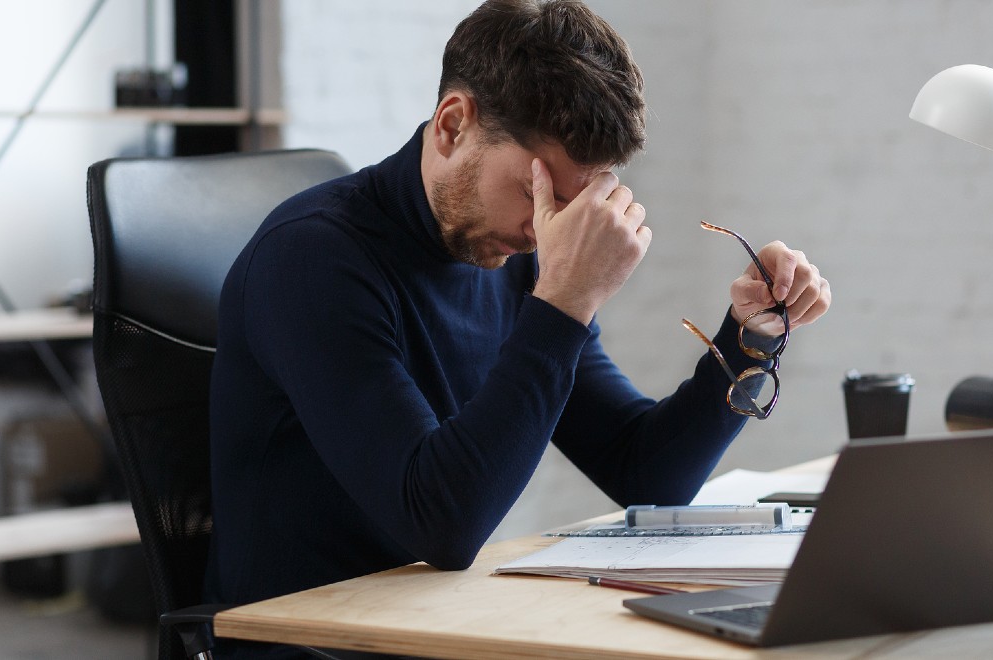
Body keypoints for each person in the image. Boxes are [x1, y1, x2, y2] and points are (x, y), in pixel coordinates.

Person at [204, 0, 830, 655]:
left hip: (430, 630)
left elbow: (646, 474)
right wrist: (565, 301)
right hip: (305, 642)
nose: (544, 229)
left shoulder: (519, 261)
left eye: (572, 202)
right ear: (453, 125)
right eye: (537, 193)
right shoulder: (311, 258)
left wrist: (750, 337)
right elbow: (440, 526)